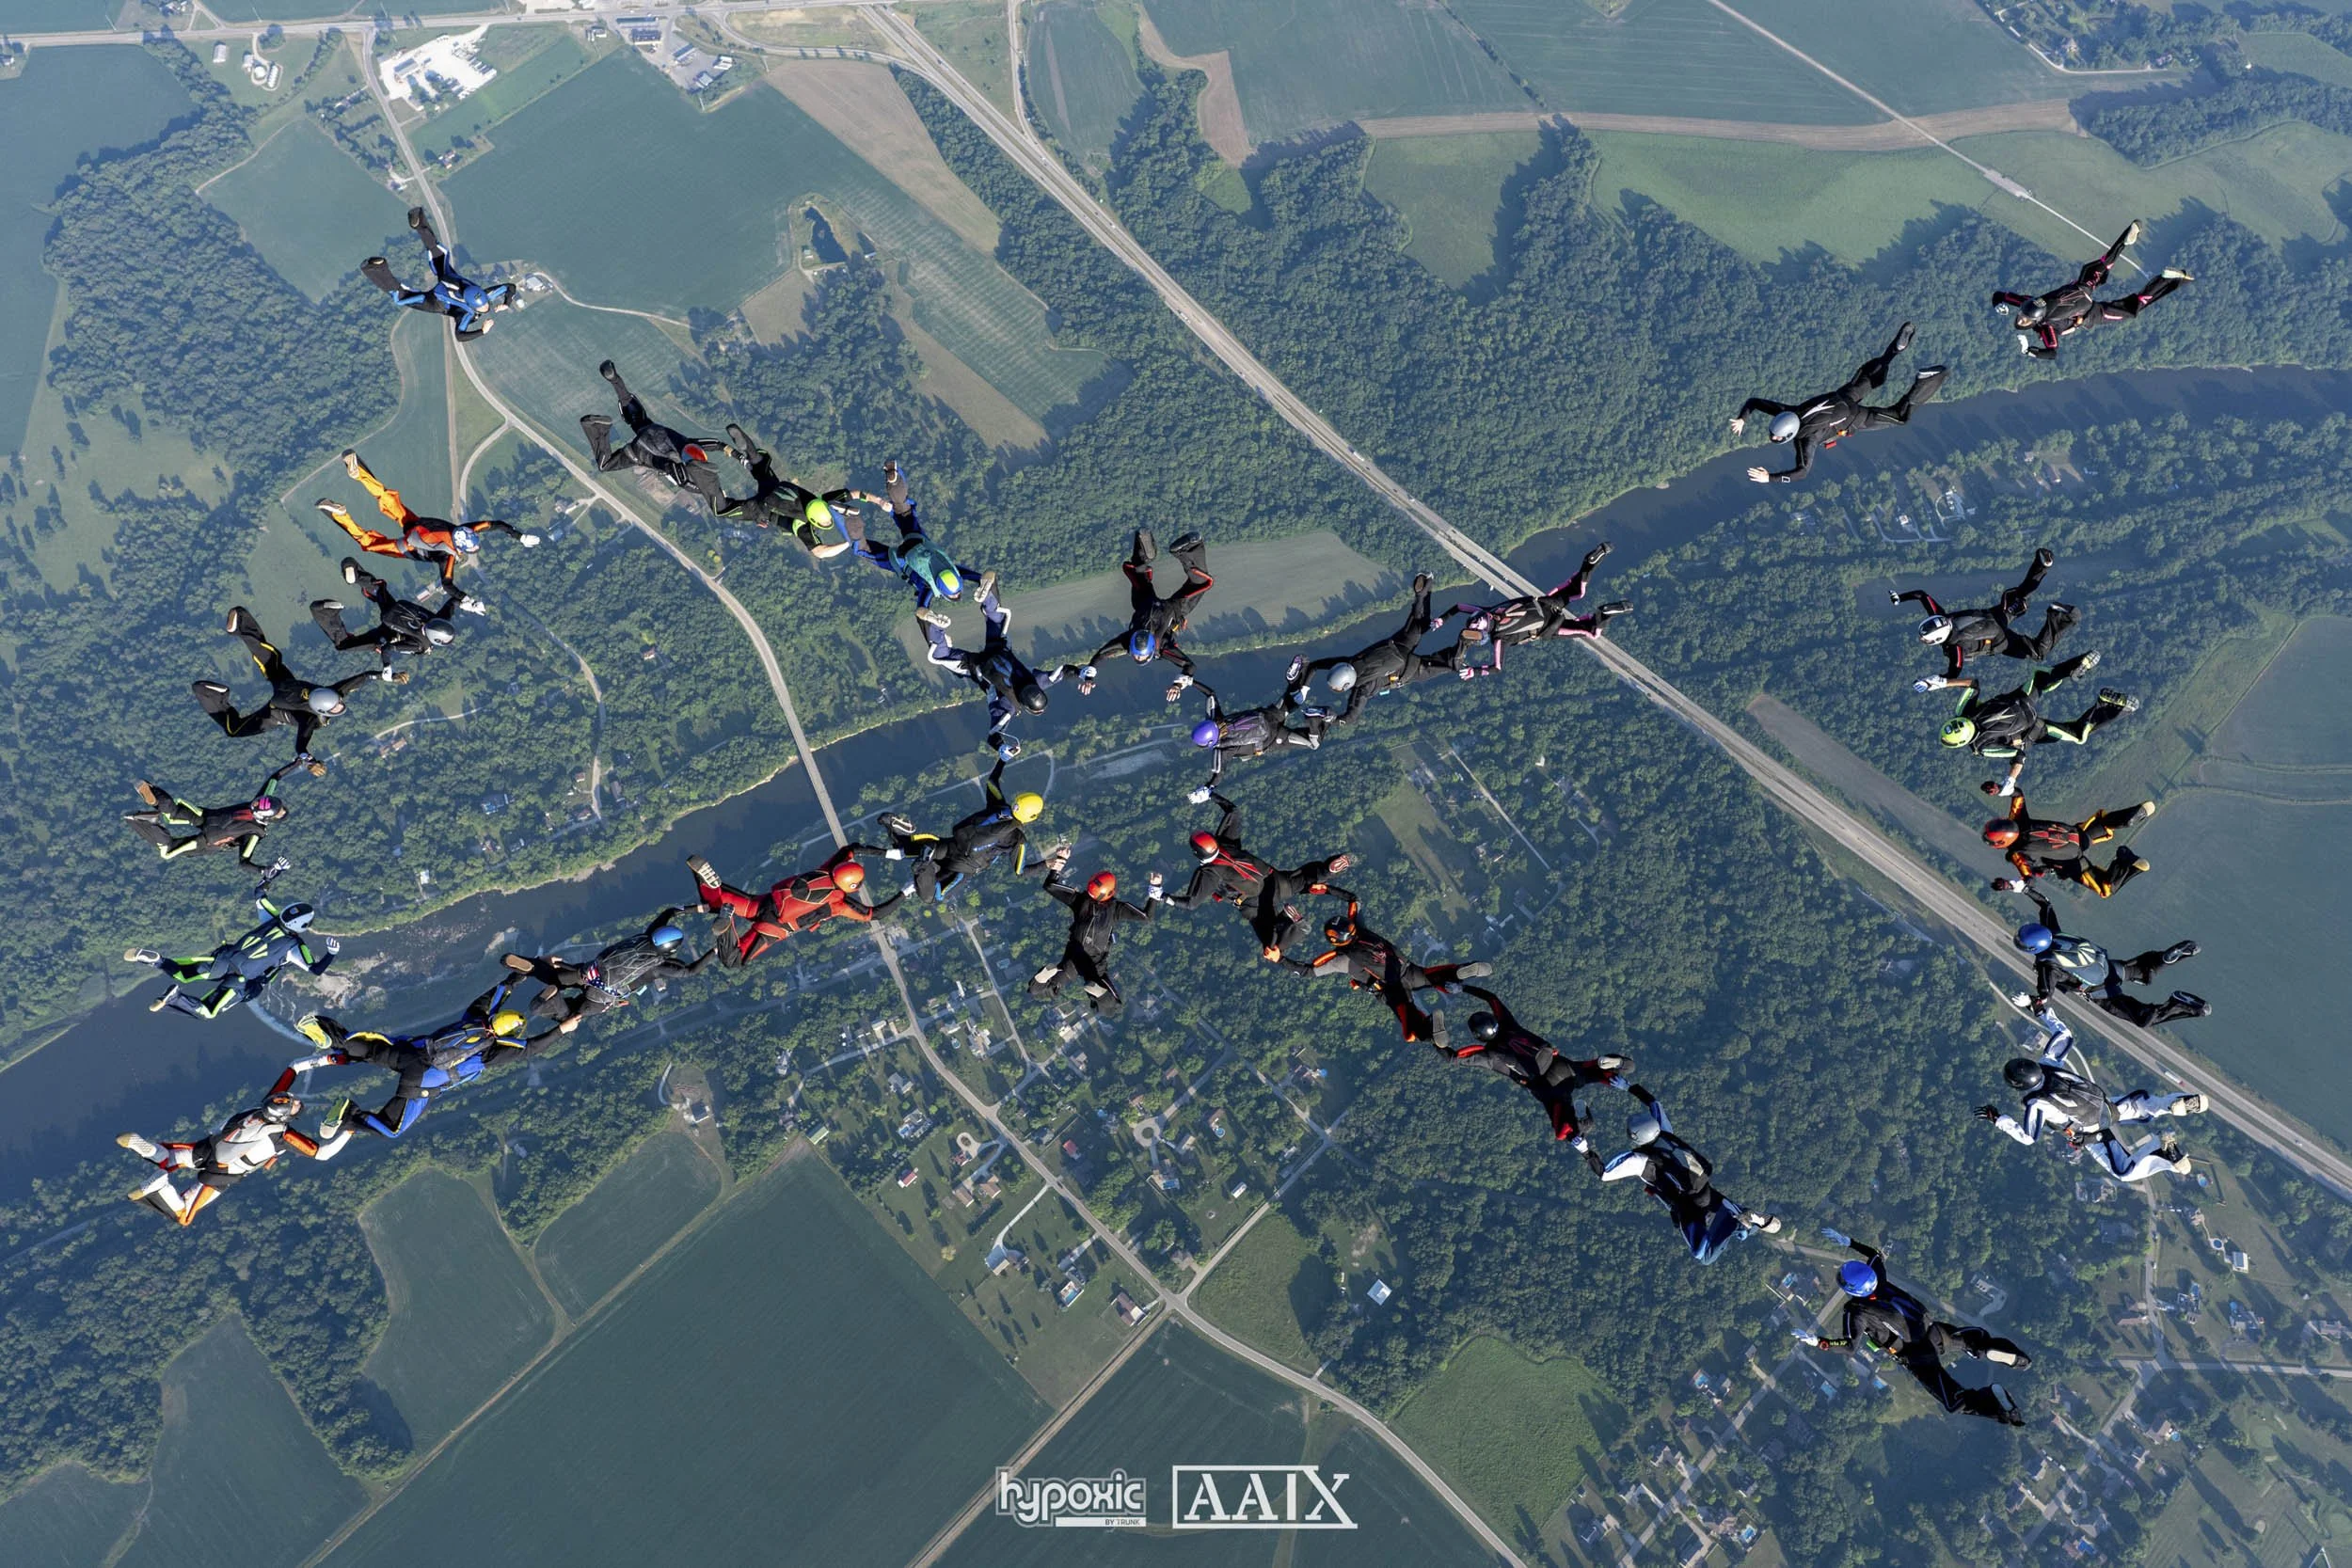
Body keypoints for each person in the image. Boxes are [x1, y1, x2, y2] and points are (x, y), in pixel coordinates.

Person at [1797, 1232, 2029, 1425]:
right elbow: (1875, 1254)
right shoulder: (1880, 1280)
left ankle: (2000, 1408)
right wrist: (1849, 1242)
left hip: (1916, 1356)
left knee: (1954, 1401)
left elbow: (1848, 1347)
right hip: (1932, 1331)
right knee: (1973, 1339)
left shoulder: (1856, 1311)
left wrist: (1818, 1341)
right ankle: (2015, 1358)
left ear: (1853, 1290)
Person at [294, 976, 541, 1141]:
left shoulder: (474, 1020)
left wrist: (514, 979)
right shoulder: (489, 1053)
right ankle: (349, 1114)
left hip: (411, 1051)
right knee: (391, 1130)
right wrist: (562, 1029)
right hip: (422, 1084)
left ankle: (325, 1032)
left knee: (367, 1048)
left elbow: (489, 999)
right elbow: (530, 1048)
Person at [1977, 1006, 2201, 1182]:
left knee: (2124, 1171)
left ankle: (2162, 1153)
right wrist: (2041, 1011)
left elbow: (2028, 1138)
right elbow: (2064, 1034)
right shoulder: (2048, 1064)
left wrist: (1998, 1120)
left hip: (2091, 1131)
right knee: (2147, 1107)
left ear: (2019, 1086)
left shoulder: (2036, 1103)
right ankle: (2176, 1102)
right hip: (2106, 1106)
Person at [118, 1068, 349, 1227]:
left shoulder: (259, 1108)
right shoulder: (282, 1135)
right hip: (224, 1173)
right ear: (282, 1117)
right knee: (183, 1217)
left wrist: (317, 1061)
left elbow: (291, 1070)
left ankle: (145, 1149)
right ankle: (160, 1187)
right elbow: (323, 1153)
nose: (298, 1103)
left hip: (210, 1146)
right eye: (295, 1106)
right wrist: (349, 1130)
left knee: (169, 1157)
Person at [1733, 323, 1947, 483]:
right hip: (1845, 395)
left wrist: (1770, 478)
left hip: (1854, 418)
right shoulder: (1789, 411)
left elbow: (1802, 472)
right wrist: (1743, 418)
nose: (1773, 436)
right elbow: (1755, 402)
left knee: (1900, 417)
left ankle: (1926, 380)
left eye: (1776, 435)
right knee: (1877, 373)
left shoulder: (1806, 439)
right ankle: (1896, 350)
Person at [1595, 1086, 1783, 1262]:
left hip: (1686, 1205)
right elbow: (1654, 1103)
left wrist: (1582, 1148)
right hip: (1703, 1192)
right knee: (1722, 1234)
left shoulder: (1640, 1160)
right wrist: (1629, 1087)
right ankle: (1746, 1221)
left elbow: (1605, 1173)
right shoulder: (1666, 1135)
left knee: (1704, 1254)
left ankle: (1738, 1222)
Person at [1282, 888, 1490, 1045]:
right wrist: (1326, 889)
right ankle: (1458, 972)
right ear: (1350, 926)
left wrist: (1279, 959)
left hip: (1392, 990)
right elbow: (1355, 900)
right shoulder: (1362, 930)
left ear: (1335, 941)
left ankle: (1429, 1031)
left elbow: (1308, 971)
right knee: (1432, 976)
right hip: (1407, 969)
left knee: (1410, 1021)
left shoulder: (1343, 959)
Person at [1164, 791, 1350, 960]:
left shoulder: (1208, 871)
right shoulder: (1226, 844)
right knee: (1306, 879)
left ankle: (1293, 925)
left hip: (1254, 904)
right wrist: (1210, 795)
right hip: (1273, 880)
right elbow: (1234, 812)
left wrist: (1161, 896)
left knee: (1270, 945)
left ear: (1197, 854)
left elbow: (1190, 903)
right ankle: (1327, 870)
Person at [191, 608, 385, 768]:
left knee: (270, 661)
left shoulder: (332, 693)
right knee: (234, 730)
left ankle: (241, 622)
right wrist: (309, 762)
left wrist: (387, 675)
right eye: (336, 707)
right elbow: (301, 745)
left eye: (337, 705)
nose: (339, 705)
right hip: (274, 713)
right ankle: (209, 693)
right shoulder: (310, 720)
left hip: (288, 687)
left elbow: (363, 677)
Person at [319, 449, 538, 587]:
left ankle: (360, 475)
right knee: (368, 543)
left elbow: (497, 525)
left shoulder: (464, 528)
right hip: (408, 546)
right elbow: (448, 584)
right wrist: (465, 601)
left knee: (386, 497)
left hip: (415, 524)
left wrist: (519, 537)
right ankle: (342, 515)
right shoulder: (448, 556)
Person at [1445, 985, 1629, 1146]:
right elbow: (1491, 998)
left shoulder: (1491, 1055)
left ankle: (1581, 1125)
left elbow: (1455, 1058)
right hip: (1562, 1065)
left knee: (1561, 1131)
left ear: (1479, 1036)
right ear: (1493, 1021)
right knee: (1595, 1070)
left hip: (1546, 1086)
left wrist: (1432, 1038)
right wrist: (1462, 988)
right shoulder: (1508, 1025)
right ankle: (1619, 1067)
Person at [1935, 654, 2137, 798]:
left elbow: (2018, 755)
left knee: (2078, 735)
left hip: (2033, 729)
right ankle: (2078, 663)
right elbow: (1973, 683)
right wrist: (1941, 682)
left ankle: (2107, 705)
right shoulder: (1964, 713)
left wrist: (2010, 780)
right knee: (2041, 678)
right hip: (2021, 700)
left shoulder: (1980, 748)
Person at [1053, 529, 1214, 703]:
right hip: (1150, 605)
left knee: (1199, 583)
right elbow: (1102, 654)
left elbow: (1189, 666)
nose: (1137, 656)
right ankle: (1147, 548)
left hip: (1168, 609)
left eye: (1137, 656)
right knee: (1140, 574)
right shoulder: (1129, 641)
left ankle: (1188, 548)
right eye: (1140, 656)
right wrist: (1089, 673)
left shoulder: (1159, 647)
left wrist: (1179, 683)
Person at [2012, 887, 2208, 1027]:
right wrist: (2024, 888)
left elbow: (2045, 996)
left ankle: (2180, 1004)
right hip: (2108, 967)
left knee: (2143, 1019)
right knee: (2145, 967)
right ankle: (2165, 959)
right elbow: (2045, 904)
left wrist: (2029, 1003)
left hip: (2101, 992)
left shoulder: (2048, 966)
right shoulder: (2053, 934)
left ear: (2033, 949)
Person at [123, 891, 336, 1019]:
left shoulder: (271, 918)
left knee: (182, 972)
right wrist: (331, 953)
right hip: (241, 980)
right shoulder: (295, 946)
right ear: (301, 927)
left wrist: (271, 874)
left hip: (224, 960)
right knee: (208, 1011)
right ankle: (175, 998)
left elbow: (260, 894)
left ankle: (157, 960)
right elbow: (316, 969)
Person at [1994, 222, 2191, 359]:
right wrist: (1999, 304)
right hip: (2081, 288)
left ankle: (2167, 279)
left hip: (2091, 313)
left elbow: (2052, 353)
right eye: (2022, 317)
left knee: (2133, 309)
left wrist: (2029, 351)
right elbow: (2000, 295)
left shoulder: (2045, 327)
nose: (2020, 320)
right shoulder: (2027, 302)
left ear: (2036, 320)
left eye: (2023, 319)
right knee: (2104, 264)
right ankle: (2127, 238)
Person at [1438, 544, 1630, 681]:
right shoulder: (1487, 611)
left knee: (1590, 631)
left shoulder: (1499, 639)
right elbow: (1459, 606)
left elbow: (1497, 668)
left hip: (1548, 627)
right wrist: (1441, 619)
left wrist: (1475, 671)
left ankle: (1605, 614)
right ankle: (1590, 562)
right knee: (1576, 590)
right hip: (1544, 604)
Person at [687, 844, 899, 966]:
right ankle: (727, 922)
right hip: (775, 927)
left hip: (764, 903)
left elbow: (851, 848)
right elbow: (874, 914)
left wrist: (888, 853)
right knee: (734, 960)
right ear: (851, 886)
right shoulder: (839, 903)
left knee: (712, 899)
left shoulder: (828, 869)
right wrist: (906, 891)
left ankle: (709, 882)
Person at [502, 911, 710, 1032]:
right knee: (572, 1014)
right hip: (601, 996)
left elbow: (669, 911)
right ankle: (546, 1004)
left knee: (552, 975)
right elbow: (689, 971)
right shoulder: (656, 965)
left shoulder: (645, 936)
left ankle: (533, 967)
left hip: (588, 971)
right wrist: (715, 951)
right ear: (670, 950)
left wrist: (699, 908)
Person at [875, 755, 1045, 904]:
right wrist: (1048, 863)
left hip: (952, 845)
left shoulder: (1000, 807)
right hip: (963, 868)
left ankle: (891, 824)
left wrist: (1003, 759)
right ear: (1031, 817)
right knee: (933, 896)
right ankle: (922, 867)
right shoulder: (1018, 839)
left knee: (906, 849)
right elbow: (1021, 871)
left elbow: (992, 781)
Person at [1895, 547, 2076, 684]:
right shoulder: (1943, 616)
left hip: (2001, 641)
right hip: (1996, 615)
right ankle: (2042, 565)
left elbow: (1954, 672)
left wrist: (1934, 681)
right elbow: (1922, 595)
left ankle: (2056, 616)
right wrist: (1900, 598)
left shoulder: (1955, 648)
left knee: (2038, 654)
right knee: (2021, 593)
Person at [918, 569, 1049, 758]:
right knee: (941, 656)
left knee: (996, 619)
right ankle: (935, 625)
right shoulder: (1008, 707)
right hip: (976, 667)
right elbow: (993, 736)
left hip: (1000, 650)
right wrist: (1003, 749)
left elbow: (1065, 671)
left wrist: (1085, 672)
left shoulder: (1040, 680)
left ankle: (988, 595)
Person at [1285, 573, 1451, 721]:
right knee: (1419, 622)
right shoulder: (1348, 662)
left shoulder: (1363, 687)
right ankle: (1422, 594)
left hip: (1406, 668)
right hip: (1397, 645)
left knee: (1444, 661)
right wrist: (1304, 688)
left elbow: (1350, 717)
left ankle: (1462, 656)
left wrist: (1330, 717)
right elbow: (1315, 665)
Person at [1028, 848, 1160, 1018]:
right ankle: (1100, 994)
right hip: (1094, 962)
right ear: (1110, 892)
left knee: (1045, 990)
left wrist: (1059, 861)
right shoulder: (1116, 909)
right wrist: (1155, 888)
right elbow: (1146, 916)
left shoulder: (1080, 900)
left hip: (1073, 956)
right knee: (1113, 1007)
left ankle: (1040, 982)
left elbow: (1050, 886)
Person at [715, 424, 880, 558]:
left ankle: (748, 450)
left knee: (758, 463)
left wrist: (880, 501)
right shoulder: (802, 525)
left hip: (773, 487)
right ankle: (710, 483)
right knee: (722, 510)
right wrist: (848, 543)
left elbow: (856, 494)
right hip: (761, 508)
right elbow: (820, 552)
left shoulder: (823, 501)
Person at [580, 360, 726, 510]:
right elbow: (685, 482)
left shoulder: (686, 445)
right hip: (639, 452)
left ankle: (613, 378)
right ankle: (600, 428)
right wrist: (710, 493)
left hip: (651, 430)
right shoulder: (681, 472)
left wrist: (727, 449)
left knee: (634, 413)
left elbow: (713, 444)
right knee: (605, 466)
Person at [360, 207, 513, 340]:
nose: (486, 306)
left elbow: (510, 287)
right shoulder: (466, 314)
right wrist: (482, 331)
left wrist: (507, 303)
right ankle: (375, 268)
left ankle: (420, 222)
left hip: (449, 280)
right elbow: (460, 336)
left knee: (437, 254)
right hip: (437, 302)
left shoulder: (487, 294)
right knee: (402, 296)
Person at [847, 459, 975, 614]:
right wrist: (929, 618)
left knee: (903, 510)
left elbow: (970, 574)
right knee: (863, 548)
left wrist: (982, 580)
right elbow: (921, 607)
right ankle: (850, 516)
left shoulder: (954, 571)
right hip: (899, 560)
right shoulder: (930, 588)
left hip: (918, 541)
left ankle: (894, 481)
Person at [311, 558, 480, 669]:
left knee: (378, 591)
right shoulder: (420, 645)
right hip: (389, 630)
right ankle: (325, 612)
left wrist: (469, 602)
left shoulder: (440, 619)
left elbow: (452, 602)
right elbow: (388, 648)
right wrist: (387, 667)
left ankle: (355, 573)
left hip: (395, 611)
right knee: (344, 645)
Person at [122, 764, 301, 863]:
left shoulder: (256, 801)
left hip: (206, 817)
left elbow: (275, 777)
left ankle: (154, 796)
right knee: (168, 851)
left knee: (173, 811)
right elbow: (244, 862)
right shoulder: (256, 833)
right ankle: (147, 822)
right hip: (209, 841)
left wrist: (298, 762)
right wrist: (265, 871)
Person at [1984, 794, 2153, 897]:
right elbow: (2017, 794)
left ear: (2002, 842)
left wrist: (2009, 885)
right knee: (2102, 825)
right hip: (2076, 836)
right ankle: (2128, 818)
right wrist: (1999, 788)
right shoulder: (2018, 819)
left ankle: (2124, 861)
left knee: (2105, 890)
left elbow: (2029, 880)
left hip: (2072, 862)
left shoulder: (2017, 853)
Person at [1186, 688, 1327, 802]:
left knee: (1312, 743)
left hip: (1273, 738)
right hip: (1268, 716)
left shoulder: (1222, 750)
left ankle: (1314, 718)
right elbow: (1210, 694)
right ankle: (1305, 677)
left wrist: (1207, 788)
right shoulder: (1216, 718)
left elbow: (1218, 774)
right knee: (1294, 699)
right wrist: (1190, 681)